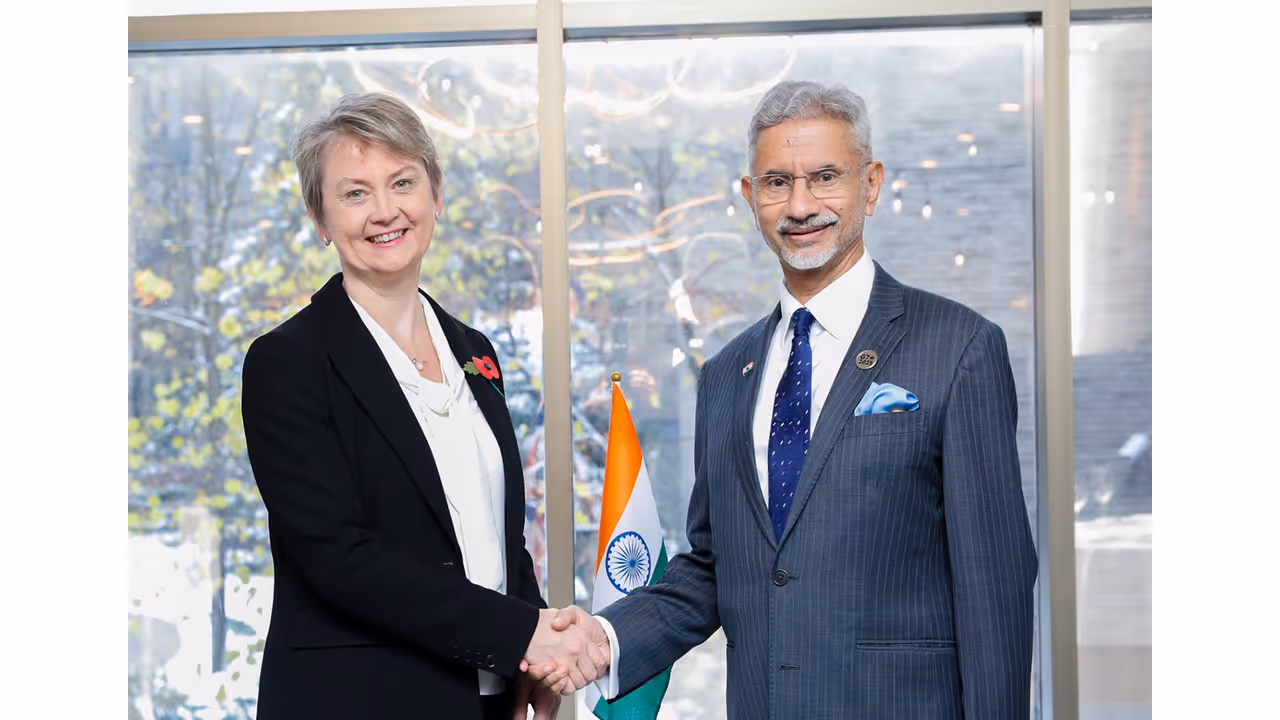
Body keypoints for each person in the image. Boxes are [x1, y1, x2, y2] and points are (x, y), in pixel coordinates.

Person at [537, 80, 1038, 718]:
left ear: (872, 183)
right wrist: (604, 638)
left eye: (825, 176)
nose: (800, 204)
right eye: (776, 182)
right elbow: (718, 567)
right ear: (751, 198)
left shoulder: (959, 348)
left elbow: (994, 589)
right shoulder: (725, 377)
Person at [240, 91, 604, 720]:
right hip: (358, 702)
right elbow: (338, 558)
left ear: (435, 196)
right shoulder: (287, 361)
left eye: (402, 182)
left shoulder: (475, 350)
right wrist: (521, 634)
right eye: (354, 193)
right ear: (320, 219)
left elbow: (493, 534)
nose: (385, 211)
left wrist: (532, 657)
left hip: (486, 698)